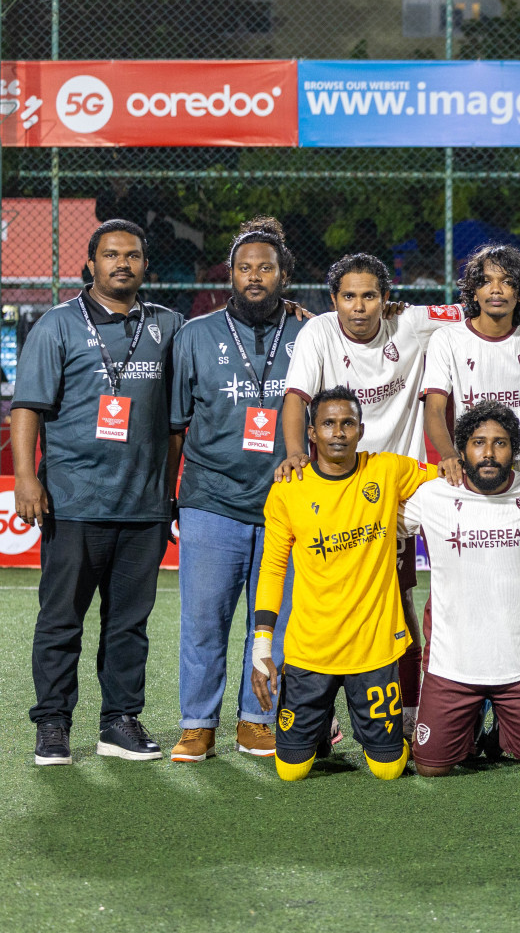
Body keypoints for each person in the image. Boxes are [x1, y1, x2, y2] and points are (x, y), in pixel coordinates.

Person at [280, 252, 520, 738]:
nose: (360, 306)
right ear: (334, 301)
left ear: (387, 299)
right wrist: (293, 454)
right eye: (349, 296)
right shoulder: (318, 333)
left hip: (394, 493)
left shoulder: (412, 323)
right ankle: (314, 718)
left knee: (401, 603)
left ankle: (410, 710)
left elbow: (480, 307)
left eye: (370, 295)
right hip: (332, 490)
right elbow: (296, 399)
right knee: (317, 601)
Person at [15, 219, 184, 766]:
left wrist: (296, 317)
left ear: (145, 266)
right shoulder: (57, 325)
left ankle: (119, 722)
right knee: (61, 618)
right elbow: (28, 409)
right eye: (110, 255)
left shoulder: (169, 326)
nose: (121, 264)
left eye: (132, 256)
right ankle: (53, 725)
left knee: (129, 624)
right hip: (73, 502)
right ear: (90, 264)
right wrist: (25, 477)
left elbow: (220, 336)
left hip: (144, 506)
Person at [167, 217, 308, 763]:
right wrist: (170, 497)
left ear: (284, 275)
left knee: (270, 624)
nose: (255, 277)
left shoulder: (310, 333)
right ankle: (197, 722)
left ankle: (257, 720)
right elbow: (176, 425)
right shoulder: (195, 335)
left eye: (266, 268)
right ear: (229, 273)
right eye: (245, 268)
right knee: (204, 620)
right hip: (211, 498)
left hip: (286, 504)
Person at [251, 386, 438, 781]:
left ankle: (357, 726)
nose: (339, 432)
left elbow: (454, 476)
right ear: (312, 434)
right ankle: (320, 725)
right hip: (310, 650)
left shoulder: (386, 470)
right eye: (329, 424)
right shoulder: (288, 488)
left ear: (361, 429)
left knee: (388, 770)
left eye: (348, 423)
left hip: (372, 648)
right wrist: (262, 645)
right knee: (290, 771)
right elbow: (271, 568)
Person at [401, 400, 520, 777]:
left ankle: (500, 735)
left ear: (515, 451)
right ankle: (472, 729)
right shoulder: (433, 496)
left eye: (501, 443)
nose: (489, 453)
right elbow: (383, 520)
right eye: (478, 442)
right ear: (461, 451)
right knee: (430, 768)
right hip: (452, 666)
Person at [422, 244, 520, 483]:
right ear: (473, 292)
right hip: (472, 475)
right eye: (485, 281)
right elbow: (433, 409)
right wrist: (448, 455)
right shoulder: (447, 339)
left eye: (507, 282)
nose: (496, 290)